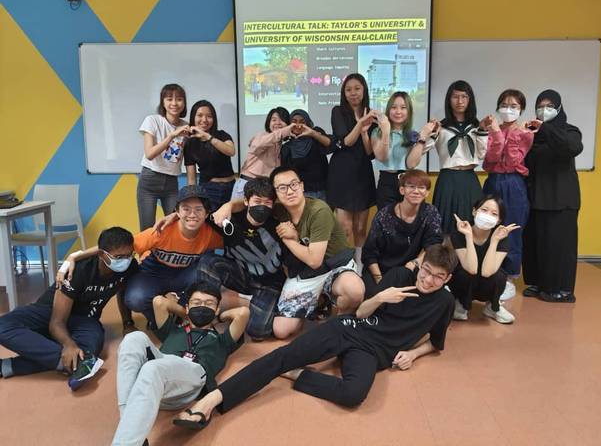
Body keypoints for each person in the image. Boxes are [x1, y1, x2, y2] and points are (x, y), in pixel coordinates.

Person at [171, 244, 458, 430]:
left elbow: (436, 342)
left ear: (447, 280)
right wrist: (381, 295)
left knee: (353, 394)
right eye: (426, 271)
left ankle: (296, 375)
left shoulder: (443, 303)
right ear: (420, 266)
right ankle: (207, 403)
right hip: (351, 328)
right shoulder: (398, 277)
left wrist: (412, 354)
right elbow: (360, 314)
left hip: (372, 353)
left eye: (437, 276)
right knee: (279, 357)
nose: (427, 279)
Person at [213, 166, 366, 339]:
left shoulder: (318, 210)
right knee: (280, 330)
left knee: (354, 290)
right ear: (276, 193)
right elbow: (251, 200)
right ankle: (317, 302)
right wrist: (228, 205)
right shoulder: (278, 209)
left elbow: (315, 260)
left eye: (294, 184)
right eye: (282, 188)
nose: (290, 191)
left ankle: (340, 325)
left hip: (334, 267)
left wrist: (289, 239)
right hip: (305, 274)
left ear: (302, 186)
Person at [61, 185, 223, 327]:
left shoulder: (210, 234)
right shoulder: (162, 230)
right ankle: (159, 319)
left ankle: (187, 315)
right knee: (135, 298)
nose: (192, 214)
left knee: (211, 266)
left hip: (184, 275)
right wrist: (75, 256)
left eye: (198, 209)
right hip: (154, 273)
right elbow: (116, 247)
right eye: (186, 209)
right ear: (177, 211)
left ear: (207, 213)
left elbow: (234, 241)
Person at [0, 227, 137, 390]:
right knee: (3, 326)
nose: (126, 260)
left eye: (130, 255)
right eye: (119, 257)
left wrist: (127, 323)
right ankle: (77, 363)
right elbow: (57, 322)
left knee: (93, 344)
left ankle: (10, 366)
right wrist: (69, 345)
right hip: (48, 312)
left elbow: (122, 290)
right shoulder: (78, 270)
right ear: (101, 255)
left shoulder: (129, 266)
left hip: (85, 321)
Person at [111, 283, 248, 445]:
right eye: (196, 303)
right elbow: (159, 302)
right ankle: (129, 425)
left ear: (217, 309)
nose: (202, 307)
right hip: (152, 380)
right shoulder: (173, 330)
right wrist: (187, 314)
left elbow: (242, 313)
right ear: (187, 307)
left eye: (209, 303)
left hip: (192, 376)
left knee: (153, 368)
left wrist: (217, 318)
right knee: (133, 338)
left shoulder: (222, 340)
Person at [197, 179, 288, 339]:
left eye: (267, 202)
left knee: (257, 332)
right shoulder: (228, 219)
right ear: (246, 201)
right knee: (208, 263)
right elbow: (194, 216)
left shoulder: (279, 224)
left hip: (269, 282)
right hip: (239, 275)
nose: (262, 206)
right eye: (257, 201)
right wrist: (171, 217)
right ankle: (207, 316)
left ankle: (259, 307)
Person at [522, 90, 583, 303]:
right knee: (536, 243)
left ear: (558, 108)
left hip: (561, 199)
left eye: (549, 106)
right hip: (536, 197)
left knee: (560, 246)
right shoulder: (531, 132)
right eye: (540, 105)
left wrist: (545, 128)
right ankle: (539, 283)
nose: (543, 110)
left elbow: (573, 147)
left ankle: (562, 289)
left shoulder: (569, 131)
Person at [482, 89, 534, 298]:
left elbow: (513, 160)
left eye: (514, 106)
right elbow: (489, 161)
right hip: (493, 181)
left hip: (513, 183)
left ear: (521, 109)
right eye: (504, 105)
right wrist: (495, 132)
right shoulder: (492, 129)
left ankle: (510, 278)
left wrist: (512, 135)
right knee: (487, 225)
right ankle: (489, 272)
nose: (508, 110)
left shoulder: (526, 132)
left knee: (511, 230)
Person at [362, 170, 443, 295]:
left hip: (411, 268)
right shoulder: (384, 215)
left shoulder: (430, 212)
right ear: (402, 190)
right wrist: (380, 280)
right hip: (380, 270)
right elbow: (369, 253)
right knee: (376, 301)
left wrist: (415, 262)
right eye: (411, 186)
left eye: (421, 188)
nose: (416, 191)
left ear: (427, 193)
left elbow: (433, 244)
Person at [327, 73, 377, 268]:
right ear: (343, 93)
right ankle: (343, 267)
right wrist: (360, 123)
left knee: (360, 227)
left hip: (363, 172)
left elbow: (370, 152)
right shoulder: (338, 111)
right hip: (342, 173)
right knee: (344, 228)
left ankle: (359, 266)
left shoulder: (372, 114)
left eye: (357, 88)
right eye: (348, 89)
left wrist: (365, 130)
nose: (353, 93)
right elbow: (346, 141)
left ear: (364, 90)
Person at [449, 195, 519, 324]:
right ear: (474, 211)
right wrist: (469, 236)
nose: (487, 215)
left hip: (486, 282)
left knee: (499, 276)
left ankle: (492, 307)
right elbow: (471, 268)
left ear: (498, 220)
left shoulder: (502, 237)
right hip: (465, 280)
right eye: (484, 210)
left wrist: (494, 241)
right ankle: (461, 302)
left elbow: (487, 272)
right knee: (464, 273)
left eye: (494, 214)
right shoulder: (460, 232)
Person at [431, 80, 488, 234]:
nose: (460, 101)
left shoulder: (477, 126)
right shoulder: (441, 127)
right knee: (446, 224)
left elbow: (482, 154)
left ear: (470, 100)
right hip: (447, 179)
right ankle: (446, 258)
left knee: (472, 222)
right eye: (455, 97)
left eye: (464, 97)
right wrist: (431, 132)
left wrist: (483, 131)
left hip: (469, 179)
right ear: (449, 100)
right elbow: (424, 149)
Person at [137, 83, 190, 230]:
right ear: (163, 102)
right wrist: (172, 135)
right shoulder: (153, 120)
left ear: (184, 103)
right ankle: (148, 254)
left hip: (171, 182)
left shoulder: (187, 127)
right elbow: (150, 154)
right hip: (150, 179)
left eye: (179, 99)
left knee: (174, 225)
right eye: (169, 99)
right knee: (147, 228)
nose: (174, 103)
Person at [370, 91, 437, 209]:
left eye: (403, 108)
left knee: (409, 222)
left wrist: (423, 137)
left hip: (409, 181)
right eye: (394, 107)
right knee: (388, 222)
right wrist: (386, 131)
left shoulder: (413, 134)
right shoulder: (377, 132)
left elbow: (411, 164)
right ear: (388, 110)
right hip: (386, 182)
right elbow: (382, 157)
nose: (398, 111)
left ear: (409, 111)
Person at [231, 107, 295, 200]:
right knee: (238, 214)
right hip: (248, 183)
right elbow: (257, 146)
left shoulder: (280, 144)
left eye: (282, 120)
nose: (277, 123)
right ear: (268, 123)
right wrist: (284, 131)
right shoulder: (262, 136)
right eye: (274, 120)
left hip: (264, 187)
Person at [184, 100, 236, 212]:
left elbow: (231, 151)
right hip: (209, 189)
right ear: (193, 118)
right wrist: (192, 199)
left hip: (232, 188)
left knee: (233, 225)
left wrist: (208, 137)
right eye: (200, 116)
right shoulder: (190, 143)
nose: (204, 120)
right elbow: (191, 179)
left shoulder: (222, 135)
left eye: (209, 116)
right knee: (212, 224)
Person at [280, 109, 333, 201]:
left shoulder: (316, 136)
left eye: (302, 122)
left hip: (322, 192)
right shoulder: (287, 147)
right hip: (299, 194)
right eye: (294, 122)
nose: (298, 125)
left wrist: (313, 133)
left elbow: (330, 145)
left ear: (308, 123)